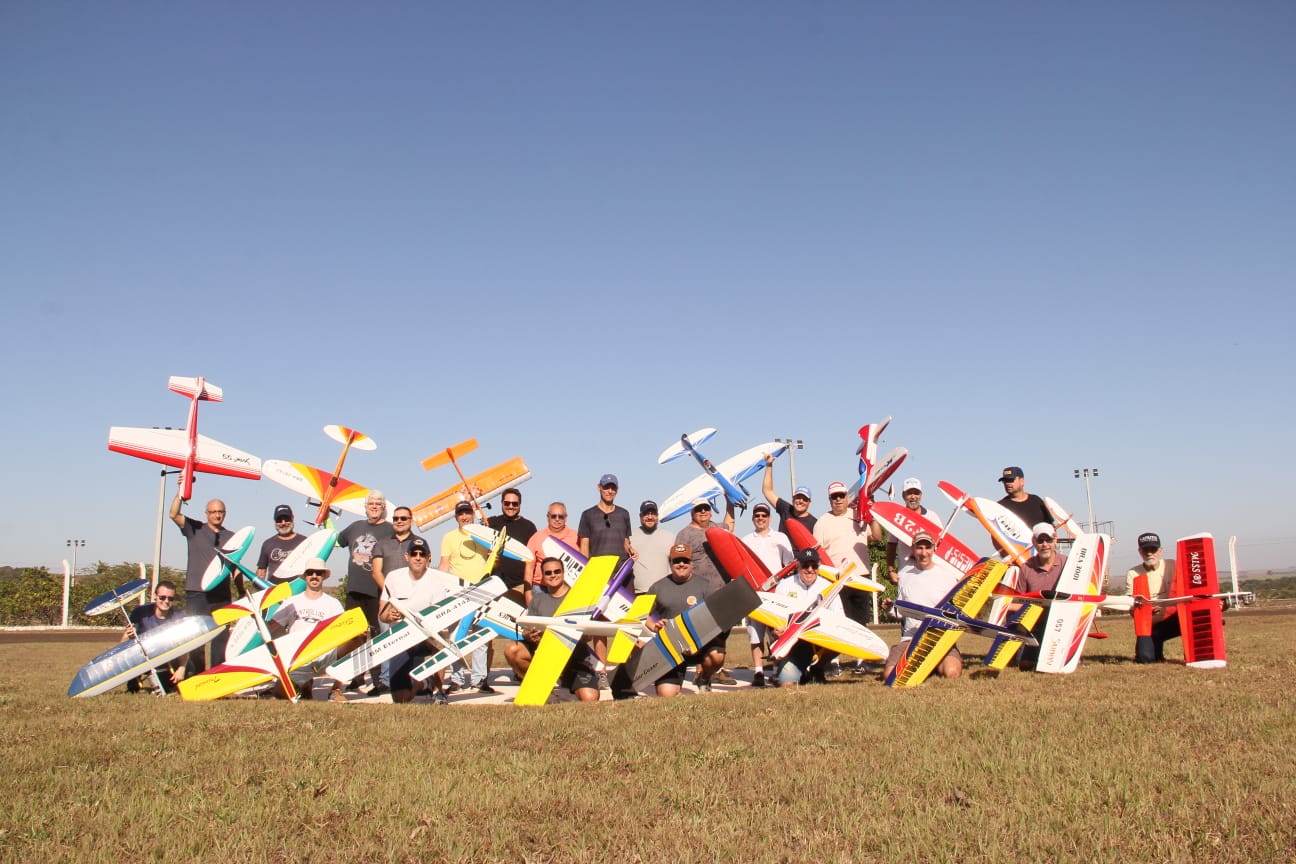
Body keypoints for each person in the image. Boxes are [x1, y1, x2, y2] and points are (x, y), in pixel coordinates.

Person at [503, 557, 600, 703]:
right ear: (543, 576)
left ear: (563, 572)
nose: (553, 575)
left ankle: (565, 688)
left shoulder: (578, 598)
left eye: (557, 571)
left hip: (575, 658)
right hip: (547, 655)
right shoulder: (538, 600)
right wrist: (529, 635)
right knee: (512, 649)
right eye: (548, 573)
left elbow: (588, 637)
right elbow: (529, 630)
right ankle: (540, 689)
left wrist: (582, 634)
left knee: (590, 698)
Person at [644, 543, 726, 696]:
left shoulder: (705, 586)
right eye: (676, 561)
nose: (681, 564)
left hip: (700, 645)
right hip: (671, 647)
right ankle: (673, 684)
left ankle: (705, 678)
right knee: (666, 695)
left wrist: (700, 642)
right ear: (670, 563)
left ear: (691, 563)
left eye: (685, 561)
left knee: (717, 655)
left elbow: (717, 617)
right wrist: (654, 625)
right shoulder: (657, 587)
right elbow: (642, 614)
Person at [380, 537, 455, 704]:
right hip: (400, 639)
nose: (418, 557)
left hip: (426, 637)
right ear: (407, 556)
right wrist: (388, 616)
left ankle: (438, 689)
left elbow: (440, 621)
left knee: (443, 642)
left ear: (429, 558)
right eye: (414, 553)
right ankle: (421, 683)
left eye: (423, 554)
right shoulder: (393, 577)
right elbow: (382, 615)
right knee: (401, 699)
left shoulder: (437, 581)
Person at [169, 485, 234, 673]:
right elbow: (174, 514)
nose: (217, 515)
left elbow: (234, 568)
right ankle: (195, 676)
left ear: (225, 513)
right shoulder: (194, 529)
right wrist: (181, 489)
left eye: (220, 512)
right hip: (197, 593)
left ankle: (215, 678)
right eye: (213, 512)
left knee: (220, 640)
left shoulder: (232, 537)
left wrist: (241, 590)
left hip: (221, 595)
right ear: (206, 514)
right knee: (196, 638)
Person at [882, 531, 963, 681]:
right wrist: (890, 609)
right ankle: (922, 664)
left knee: (952, 672)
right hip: (910, 638)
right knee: (890, 676)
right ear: (912, 550)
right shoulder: (904, 575)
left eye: (928, 548)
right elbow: (900, 613)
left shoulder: (948, 576)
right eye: (919, 548)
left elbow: (957, 610)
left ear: (934, 550)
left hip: (939, 637)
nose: (924, 553)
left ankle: (931, 664)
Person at [336, 491, 394, 692]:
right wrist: (326, 520)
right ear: (366, 506)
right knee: (353, 636)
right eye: (372, 503)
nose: (375, 506)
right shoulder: (355, 527)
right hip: (354, 589)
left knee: (377, 635)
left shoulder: (390, 530)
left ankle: (379, 679)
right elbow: (337, 541)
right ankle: (356, 677)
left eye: (379, 503)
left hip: (376, 590)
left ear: (384, 506)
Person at [266, 558, 346, 702]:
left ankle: (336, 690)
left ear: (323, 576)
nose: (314, 576)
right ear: (305, 577)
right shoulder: (291, 602)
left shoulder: (333, 604)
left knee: (355, 639)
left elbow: (344, 630)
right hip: (297, 658)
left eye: (318, 573)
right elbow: (271, 627)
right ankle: (305, 685)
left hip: (323, 655)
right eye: (310, 573)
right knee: (280, 695)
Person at [368, 505, 422, 696]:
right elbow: (376, 571)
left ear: (411, 520)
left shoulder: (418, 543)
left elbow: (423, 570)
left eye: (403, 518)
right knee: (387, 641)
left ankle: (414, 680)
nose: (399, 521)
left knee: (413, 642)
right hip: (388, 599)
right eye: (396, 518)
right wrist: (391, 596)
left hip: (414, 599)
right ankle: (384, 680)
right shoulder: (382, 543)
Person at [439, 501, 492, 692]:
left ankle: (479, 679)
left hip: (482, 590)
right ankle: (457, 679)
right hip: (457, 592)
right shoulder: (449, 537)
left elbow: (493, 559)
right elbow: (444, 564)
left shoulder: (484, 535)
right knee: (456, 637)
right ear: (456, 517)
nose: (464, 517)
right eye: (460, 514)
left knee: (480, 638)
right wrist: (440, 591)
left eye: (467, 513)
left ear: (473, 514)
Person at [741, 502, 793, 687]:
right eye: (757, 515)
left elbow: (788, 565)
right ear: (753, 518)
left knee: (776, 634)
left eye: (764, 515)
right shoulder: (746, 540)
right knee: (755, 634)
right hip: (754, 594)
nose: (760, 518)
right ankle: (758, 671)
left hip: (776, 594)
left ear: (769, 518)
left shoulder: (780, 537)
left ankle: (777, 670)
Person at [770, 548, 837, 687]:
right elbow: (775, 619)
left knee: (839, 643)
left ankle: (817, 669)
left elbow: (839, 618)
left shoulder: (829, 587)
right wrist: (775, 631)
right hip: (795, 644)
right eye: (806, 565)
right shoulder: (784, 585)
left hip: (821, 642)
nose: (810, 570)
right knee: (786, 684)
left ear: (819, 567)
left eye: (814, 566)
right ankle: (798, 670)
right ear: (798, 566)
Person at [813, 481, 873, 629]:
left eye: (841, 495)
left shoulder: (859, 515)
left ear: (847, 497)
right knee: (839, 623)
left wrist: (873, 514)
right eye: (834, 497)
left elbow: (876, 536)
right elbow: (817, 555)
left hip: (860, 576)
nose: (838, 499)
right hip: (836, 579)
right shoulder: (822, 522)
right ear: (829, 499)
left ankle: (860, 652)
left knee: (861, 624)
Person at [1013, 522, 1065, 669]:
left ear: (1055, 540)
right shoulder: (1026, 568)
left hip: (1060, 622)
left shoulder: (1067, 564)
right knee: (1026, 665)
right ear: (1034, 542)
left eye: (1048, 540)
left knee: (1057, 664)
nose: (1045, 544)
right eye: (1040, 540)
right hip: (1036, 623)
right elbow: (1019, 600)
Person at [121, 580, 187, 694]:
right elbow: (123, 643)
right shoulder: (140, 612)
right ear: (155, 597)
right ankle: (133, 682)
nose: (166, 601)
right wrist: (129, 634)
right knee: (133, 689)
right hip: (142, 657)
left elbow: (185, 645)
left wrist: (182, 669)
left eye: (170, 599)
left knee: (169, 688)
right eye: (162, 597)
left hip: (167, 658)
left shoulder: (179, 616)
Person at [1125, 532, 1180, 664]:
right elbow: (1130, 605)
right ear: (1140, 551)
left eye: (1153, 549)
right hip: (1149, 624)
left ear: (1160, 551)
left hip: (1175, 619)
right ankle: (1155, 649)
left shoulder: (1173, 565)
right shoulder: (1133, 573)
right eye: (1145, 550)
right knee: (1145, 659)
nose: (1149, 553)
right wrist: (1143, 611)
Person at [868, 478, 934, 584]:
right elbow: (891, 545)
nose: (913, 497)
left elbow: (941, 544)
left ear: (921, 495)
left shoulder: (932, 516)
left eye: (916, 493)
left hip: (929, 574)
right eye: (909, 493)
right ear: (903, 496)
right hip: (906, 573)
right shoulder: (897, 517)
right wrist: (891, 570)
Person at [486, 487, 538, 606]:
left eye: (515, 503)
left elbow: (533, 557)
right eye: (507, 503)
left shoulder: (529, 527)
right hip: (495, 583)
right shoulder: (491, 523)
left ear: (520, 505)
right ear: (502, 503)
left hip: (519, 585)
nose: (511, 506)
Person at [577, 473, 633, 563]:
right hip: (598, 571)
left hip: (620, 572)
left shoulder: (624, 514)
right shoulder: (587, 515)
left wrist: (631, 550)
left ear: (617, 490)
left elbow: (626, 543)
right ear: (599, 487)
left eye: (613, 488)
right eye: (606, 487)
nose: (610, 491)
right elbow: (584, 548)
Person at [761, 453, 816, 539]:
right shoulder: (785, 509)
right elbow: (767, 491)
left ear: (810, 502)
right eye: (798, 497)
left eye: (805, 499)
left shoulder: (815, 523)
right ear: (793, 499)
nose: (800, 501)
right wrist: (769, 465)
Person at [526, 502, 580, 585]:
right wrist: (528, 591)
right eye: (553, 516)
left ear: (566, 518)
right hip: (541, 588)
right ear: (548, 517)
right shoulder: (536, 537)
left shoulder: (577, 537)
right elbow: (529, 567)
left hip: (569, 588)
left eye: (560, 516)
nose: (557, 519)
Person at [630, 500, 675, 595]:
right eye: (646, 514)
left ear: (657, 516)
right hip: (639, 593)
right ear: (640, 516)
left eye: (653, 514)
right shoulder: (630, 537)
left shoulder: (669, 536)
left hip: (664, 592)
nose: (650, 517)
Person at [256, 504, 308, 585]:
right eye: (279, 520)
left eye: (286, 519)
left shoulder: (305, 541)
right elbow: (261, 571)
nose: (283, 523)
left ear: (292, 518)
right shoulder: (267, 544)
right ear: (275, 522)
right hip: (275, 592)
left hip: (298, 593)